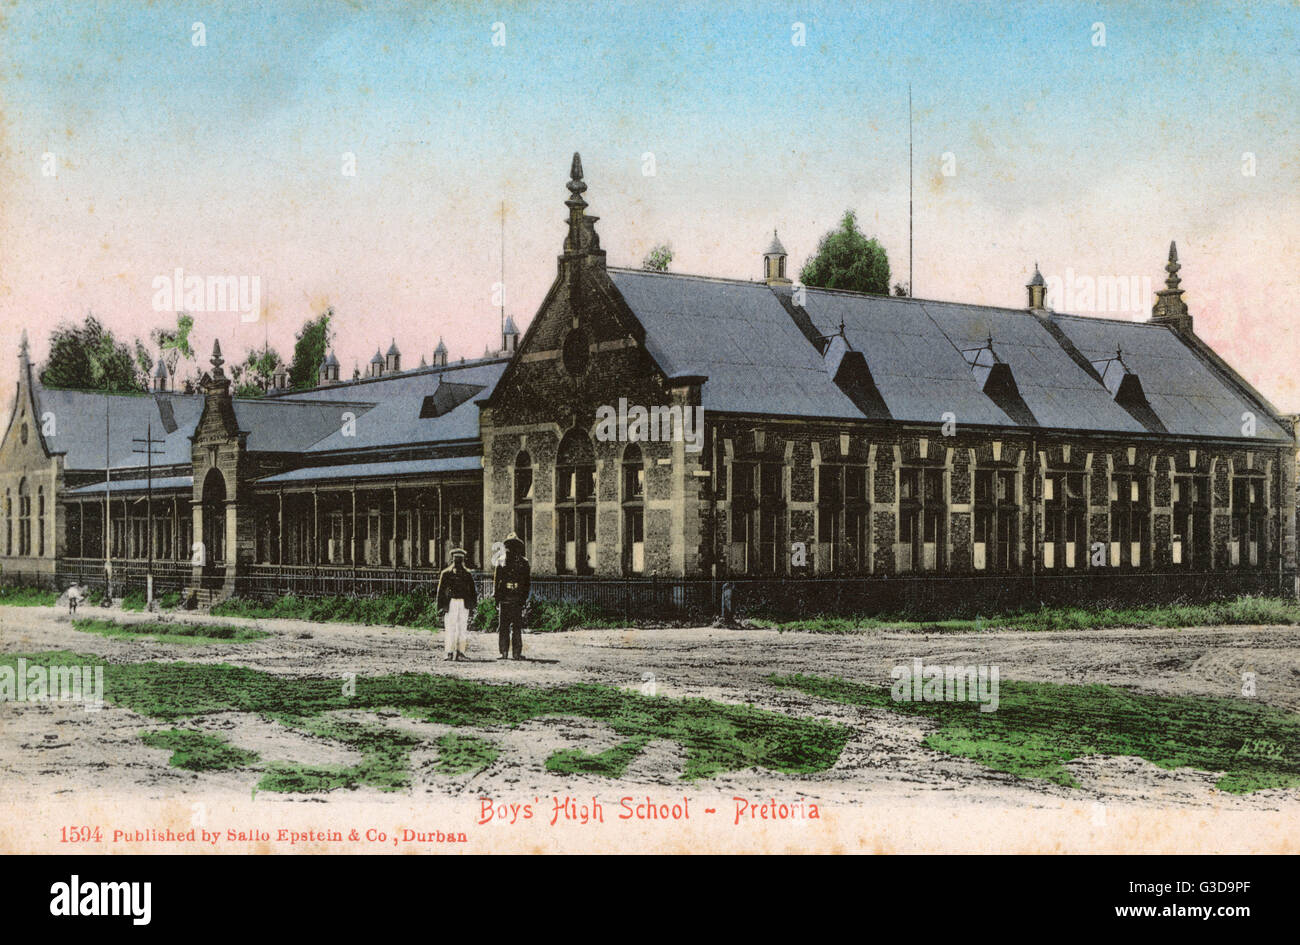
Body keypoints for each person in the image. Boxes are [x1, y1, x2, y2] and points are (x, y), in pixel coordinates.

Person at [436, 548, 477, 661]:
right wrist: (440, 607)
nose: (458, 562)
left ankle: (460, 652)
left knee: (462, 628)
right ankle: (449, 652)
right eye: (456, 559)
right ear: (452, 559)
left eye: (460, 559)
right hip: (451, 603)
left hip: (463, 603)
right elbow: (441, 592)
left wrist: (473, 606)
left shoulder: (467, 574)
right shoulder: (446, 574)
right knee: (450, 628)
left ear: (463, 560)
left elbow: (472, 591)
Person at [494, 533, 530, 660]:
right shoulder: (501, 562)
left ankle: (516, 653)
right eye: (509, 545)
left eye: (514, 546)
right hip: (504, 597)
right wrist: (496, 598)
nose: (511, 548)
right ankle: (503, 652)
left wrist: (524, 598)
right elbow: (496, 581)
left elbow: (526, 583)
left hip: (517, 598)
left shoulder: (524, 562)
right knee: (503, 626)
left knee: (517, 626)